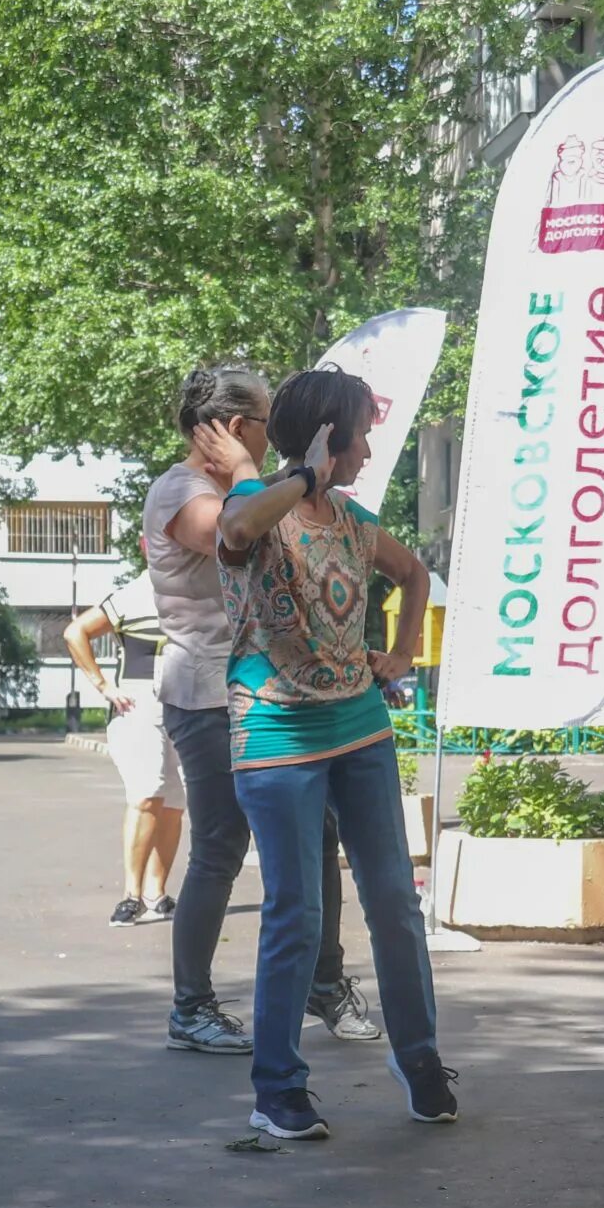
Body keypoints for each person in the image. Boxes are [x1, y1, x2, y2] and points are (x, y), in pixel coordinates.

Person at [212, 367, 456, 1140]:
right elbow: (240, 534)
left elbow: (413, 574)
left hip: (360, 728)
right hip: (277, 732)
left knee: (393, 901)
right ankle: (277, 1088)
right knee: (298, 912)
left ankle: (419, 1059)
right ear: (328, 437)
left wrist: (404, 650)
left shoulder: (351, 521)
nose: (369, 445)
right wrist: (305, 474)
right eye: (361, 432)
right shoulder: (255, 506)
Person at [143, 366, 382, 1055]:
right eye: (266, 421)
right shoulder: (183, 491)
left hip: (278, 691)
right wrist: (288, 479)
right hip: (209, 694)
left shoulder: (256, 486)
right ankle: (191, 1007)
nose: (279, 434)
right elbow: (235, 531)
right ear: (234, 429)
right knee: (220, 846)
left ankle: (323, 982)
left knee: (322, 837)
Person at [62, 570, 185, 926]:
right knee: (147, 794)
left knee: (175, 802)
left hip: (185, 703)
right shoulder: (134, 593)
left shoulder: (198, 585)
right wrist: (103, 686)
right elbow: (75, 632)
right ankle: (131, 896)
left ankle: (156, 894)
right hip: (137, 705)